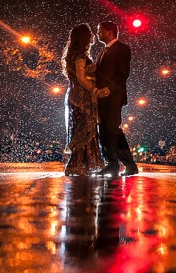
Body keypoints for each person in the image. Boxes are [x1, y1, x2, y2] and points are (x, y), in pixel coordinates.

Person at [62, 24, 110, 176]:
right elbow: (81, 78)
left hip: (78, 96)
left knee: (85, 128)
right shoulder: (80, 56)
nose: (93, 36)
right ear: (84, 37)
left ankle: (83, 164)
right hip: (82, 97)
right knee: (85, 128)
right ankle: (76, 165)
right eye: (90, 34)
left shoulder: (76, 54)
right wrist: (95, 90)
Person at [95, 21, 139, 177]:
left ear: (109, 31)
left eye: (100, 30)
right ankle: (128, 164)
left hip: (114, 96)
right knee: (107, 131)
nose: (97, 33)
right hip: (101, 98)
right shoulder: (101, 53)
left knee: (112, 129)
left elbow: (123, 74)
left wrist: (110, 89)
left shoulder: (122, 48)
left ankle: (113, 165)